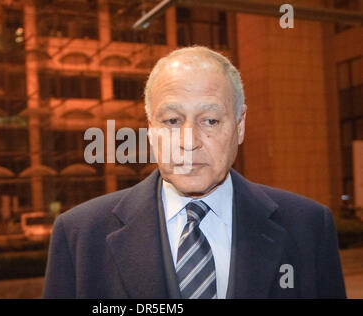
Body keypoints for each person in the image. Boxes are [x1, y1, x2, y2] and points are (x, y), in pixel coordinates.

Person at [43, 46, 346, 299]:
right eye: (172, 121)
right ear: (151, 130)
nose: (189, 142)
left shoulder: (308, 228)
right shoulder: (80, 236)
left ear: (240, 126)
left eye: (210, 121)